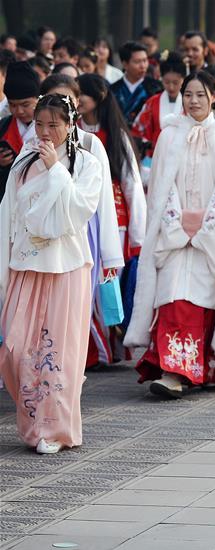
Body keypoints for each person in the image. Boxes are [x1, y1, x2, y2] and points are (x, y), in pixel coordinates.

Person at [125, 70, 215, 398]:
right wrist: (177, 223)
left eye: (201, 94)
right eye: (188, 94)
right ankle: (174, 370)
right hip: (173, 237)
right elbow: (160, 189)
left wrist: (205, 225)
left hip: (212, 238)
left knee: (204, 301)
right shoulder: (170, 135)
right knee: (174, 298)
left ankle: (205, 367)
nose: (194, 101)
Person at [0, 93, 102, 454]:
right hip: (26, 266)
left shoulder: (86, 163)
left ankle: (55, 430)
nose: (44, 132)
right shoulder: (23, 163)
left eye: (53, 125)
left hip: (66, 267)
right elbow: (9, 215)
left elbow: (80, 210)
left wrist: (56, 170)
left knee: (58, 352)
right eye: (39, 124)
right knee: (16, 350)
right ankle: (32, 422)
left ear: (70, 125)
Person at [40, 75, 126, 315]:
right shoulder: (33, 145)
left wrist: (109, 256)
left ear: (77, 103)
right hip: (41, 235)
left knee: (75, 309)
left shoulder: (90, 143)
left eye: (66, 100)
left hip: (82, 232)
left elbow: (104, 201)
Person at [77, 74, 147, 366]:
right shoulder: (72, 130)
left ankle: (108, 349)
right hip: (81, 219)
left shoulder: (114, 134)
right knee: (85, 286)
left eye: (82, 94)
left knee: (105, 285)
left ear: (100, 96)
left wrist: (138, 235)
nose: (77, 99)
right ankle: (93, 352)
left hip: (113, 219)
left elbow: (132, 182)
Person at [133, 51, 187, 160]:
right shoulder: (152, 102)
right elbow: (139, 130)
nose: (171, 87)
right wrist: (146, 144)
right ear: (161, 78)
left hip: (183, 157)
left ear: (183, 79)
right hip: (156, 157)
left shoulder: (189, 103)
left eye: (175, 82)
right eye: (167, 82)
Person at [0, 62, 40, 203]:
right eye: (12, 105)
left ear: (38, 98)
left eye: (25, 104)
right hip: (7, 199)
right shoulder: (3, 126)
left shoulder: (51, 127)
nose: (19, 111)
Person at [111, 42, 163, 126]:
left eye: (145, 60)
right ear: (125, 64)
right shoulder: (113, 90)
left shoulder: (157, 88)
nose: (143, 66)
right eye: (137, 62)